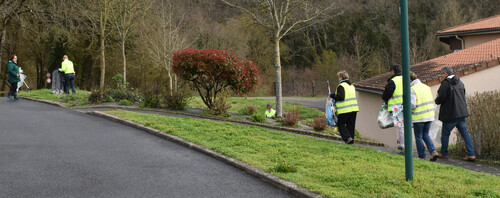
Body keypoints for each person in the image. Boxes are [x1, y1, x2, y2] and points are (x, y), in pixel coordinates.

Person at [435, 66, 476, 161]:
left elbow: (441, 98)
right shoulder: (460, 82)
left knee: (445, 134)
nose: (441, 76)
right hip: (461, 113)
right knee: (465, 133)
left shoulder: (445, 84)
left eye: (442, 74)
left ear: (445, 73)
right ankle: (471, 154)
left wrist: (436, 100)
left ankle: (444, 153)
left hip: (450, 114)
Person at [410, 72, 439, 161]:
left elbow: (412, 105)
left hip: (419, 117)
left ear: (410, 80)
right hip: (429, 115)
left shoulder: (412, 89)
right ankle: (433, 151)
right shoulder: (426, 87)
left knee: (418, 136)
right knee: (425, 134)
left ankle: (422, 156)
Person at [330, 71, 358, 144]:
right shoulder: (352, 86)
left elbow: (341, 97)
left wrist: (332, 96)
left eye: (338, 77)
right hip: (354, 109)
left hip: (345, 109)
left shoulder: (341, 86)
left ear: (341, 77)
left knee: (341, 124)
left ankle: (347, 138)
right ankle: (351, 141)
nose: (338, 79)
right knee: (350, 126)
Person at [382, 64, 404, 153]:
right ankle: (402, 144)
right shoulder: (405, 78)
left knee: (399, 126)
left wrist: (384, 98)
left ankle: (402, 146)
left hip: (396, 106)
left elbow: (387, 93)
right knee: (403, 126)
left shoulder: (393, 81)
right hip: (405, 105)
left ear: (393, 71)